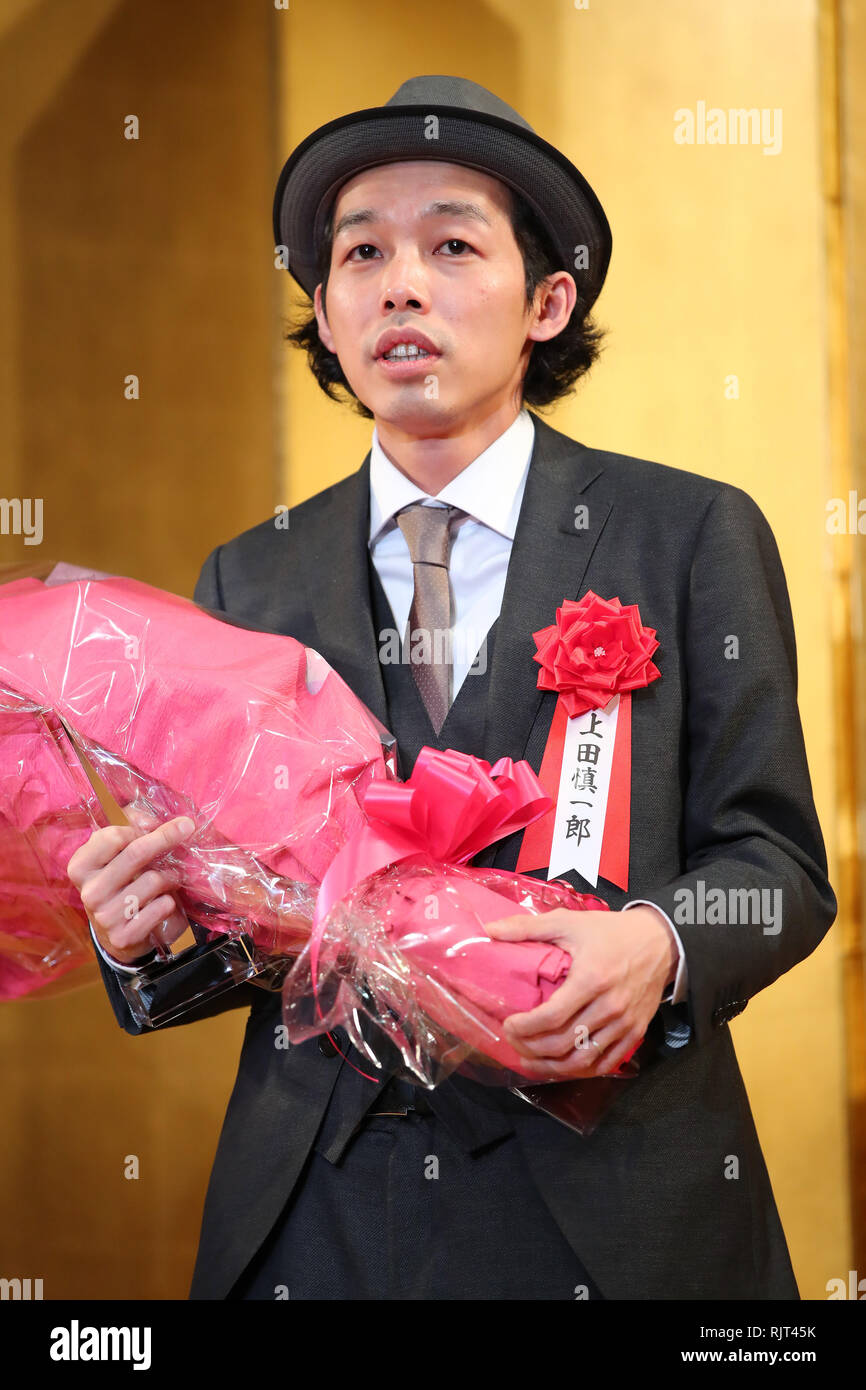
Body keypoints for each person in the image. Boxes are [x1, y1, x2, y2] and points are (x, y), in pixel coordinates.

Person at [67, 75, 836, 1300]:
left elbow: (779, 870)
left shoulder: (683, 532)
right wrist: (144, 933)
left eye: (451, 244)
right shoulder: (250, 572)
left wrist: (658, 941)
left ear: (546, 300)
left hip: (610, 1201)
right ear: (322, 310)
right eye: (360, 252)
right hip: (312, 1214)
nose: (400, 283)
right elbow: (237, 925)